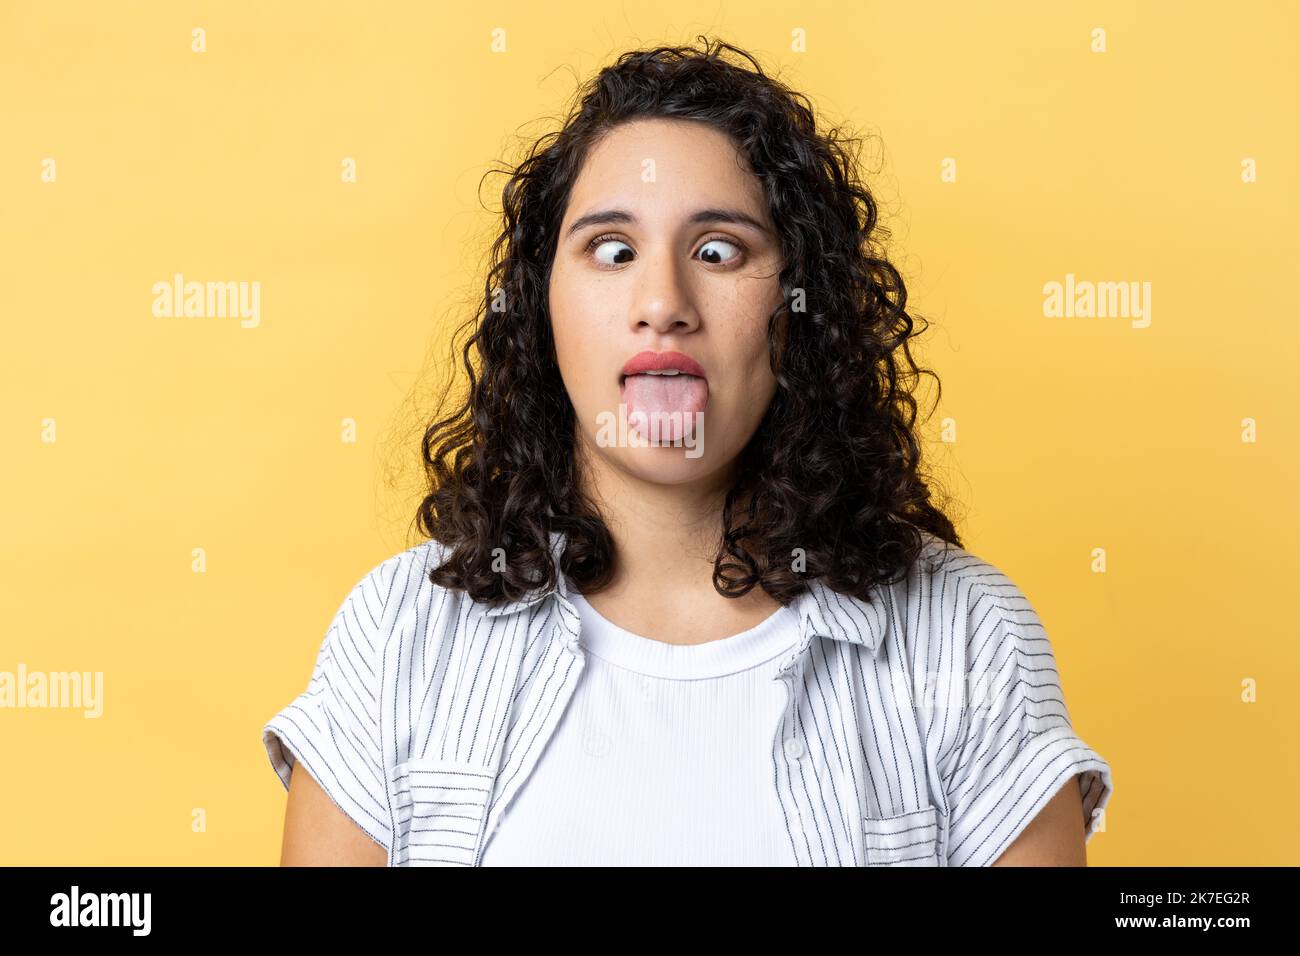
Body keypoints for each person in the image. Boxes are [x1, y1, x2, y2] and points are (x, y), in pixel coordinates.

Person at [262, 37, 1113, 867]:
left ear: (798, 302)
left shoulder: (966, 636)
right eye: (613, 250)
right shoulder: (399, 633)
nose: (663, 301)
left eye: (718, 251)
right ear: (540, 304)